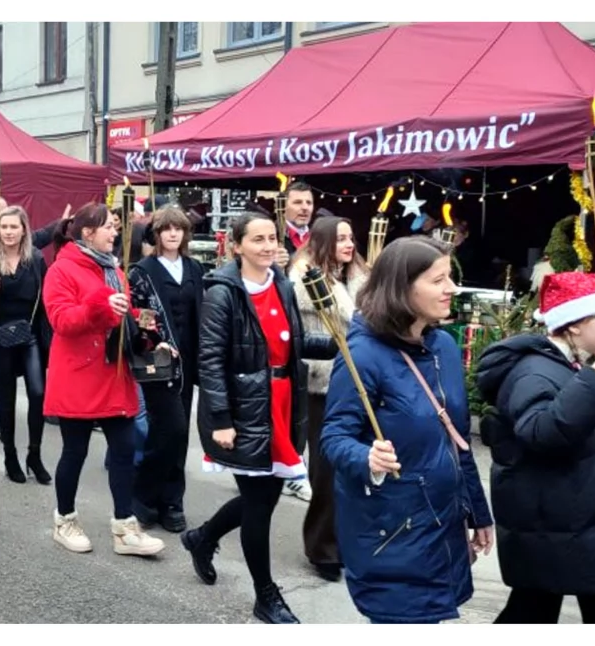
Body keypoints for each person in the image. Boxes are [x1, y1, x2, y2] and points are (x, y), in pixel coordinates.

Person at [321, 236, 494, 624]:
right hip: (392, 534)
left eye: (450, 277)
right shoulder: (362, 354)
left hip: (442, 527)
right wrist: (366, 456)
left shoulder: (445, 348)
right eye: (438, 280)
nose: (451, 288)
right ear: (402, 287)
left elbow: (459, 441)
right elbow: (334, 436)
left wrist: (477, 512)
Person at [182, 212, 335, 623]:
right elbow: (210, 361)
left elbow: (294, 343)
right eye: (257, 240)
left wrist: (343, 342)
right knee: (259, 505)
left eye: (272, 238)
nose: (268, 247)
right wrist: (221, 420)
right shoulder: (222, 293)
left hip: (284, 404)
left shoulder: (282, 284)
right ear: (237, 246)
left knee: (261, 499)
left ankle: (202, 537)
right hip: (245, 410)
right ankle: (265, 594)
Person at [476, 272, 595, 623]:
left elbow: (576, 422)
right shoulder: (534, 373)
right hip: (561, 524)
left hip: (575, 520)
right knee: (552, 612)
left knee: (538, 610)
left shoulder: (569, 366)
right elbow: (541, 431)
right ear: (573, 326)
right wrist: (593, 383)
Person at [43, 202, 165, 557]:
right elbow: (61, 320)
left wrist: (147, 328)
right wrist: (100, 305)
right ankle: (64, 519)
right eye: (109, 227)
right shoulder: (61, 269)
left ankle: (124, 527)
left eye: (115, 226)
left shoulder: (114, 268)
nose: (116, 233)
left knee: (125, 448)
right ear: (87, 232)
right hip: (78, 373)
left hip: (113, 370)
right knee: (75, 451)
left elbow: (121, 316)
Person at [287, 214, 368, 582]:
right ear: (323, 243)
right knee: (326, 470)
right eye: (340, 239)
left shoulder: (359, 280)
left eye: (351, 237)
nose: (349, 244)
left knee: (357, 470)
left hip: (363, 383)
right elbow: (302, 340)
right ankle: (322, 547)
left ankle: (349, 542)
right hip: (323, 386)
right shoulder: (306, 282)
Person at [127, 206, 205, 532]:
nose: (173, 234)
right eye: (166, 229)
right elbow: (140, 315)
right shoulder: (142, 271)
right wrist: (154, 339)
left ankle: (172, 501)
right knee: (168, 428)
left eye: (178, 229)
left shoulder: (195, 267)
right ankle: (144, 494)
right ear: (156, 234)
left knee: (179, 431)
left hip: (187, 358)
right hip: (155, 355)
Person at [0, 205, 52, 485]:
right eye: (3, 227)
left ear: (24, 229)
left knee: (38, 393)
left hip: (29, 335)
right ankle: (10, 455)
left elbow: (45, 300)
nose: (8, 232)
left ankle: (35, 455)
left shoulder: (36, 259)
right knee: (6, 400)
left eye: (14, 227)